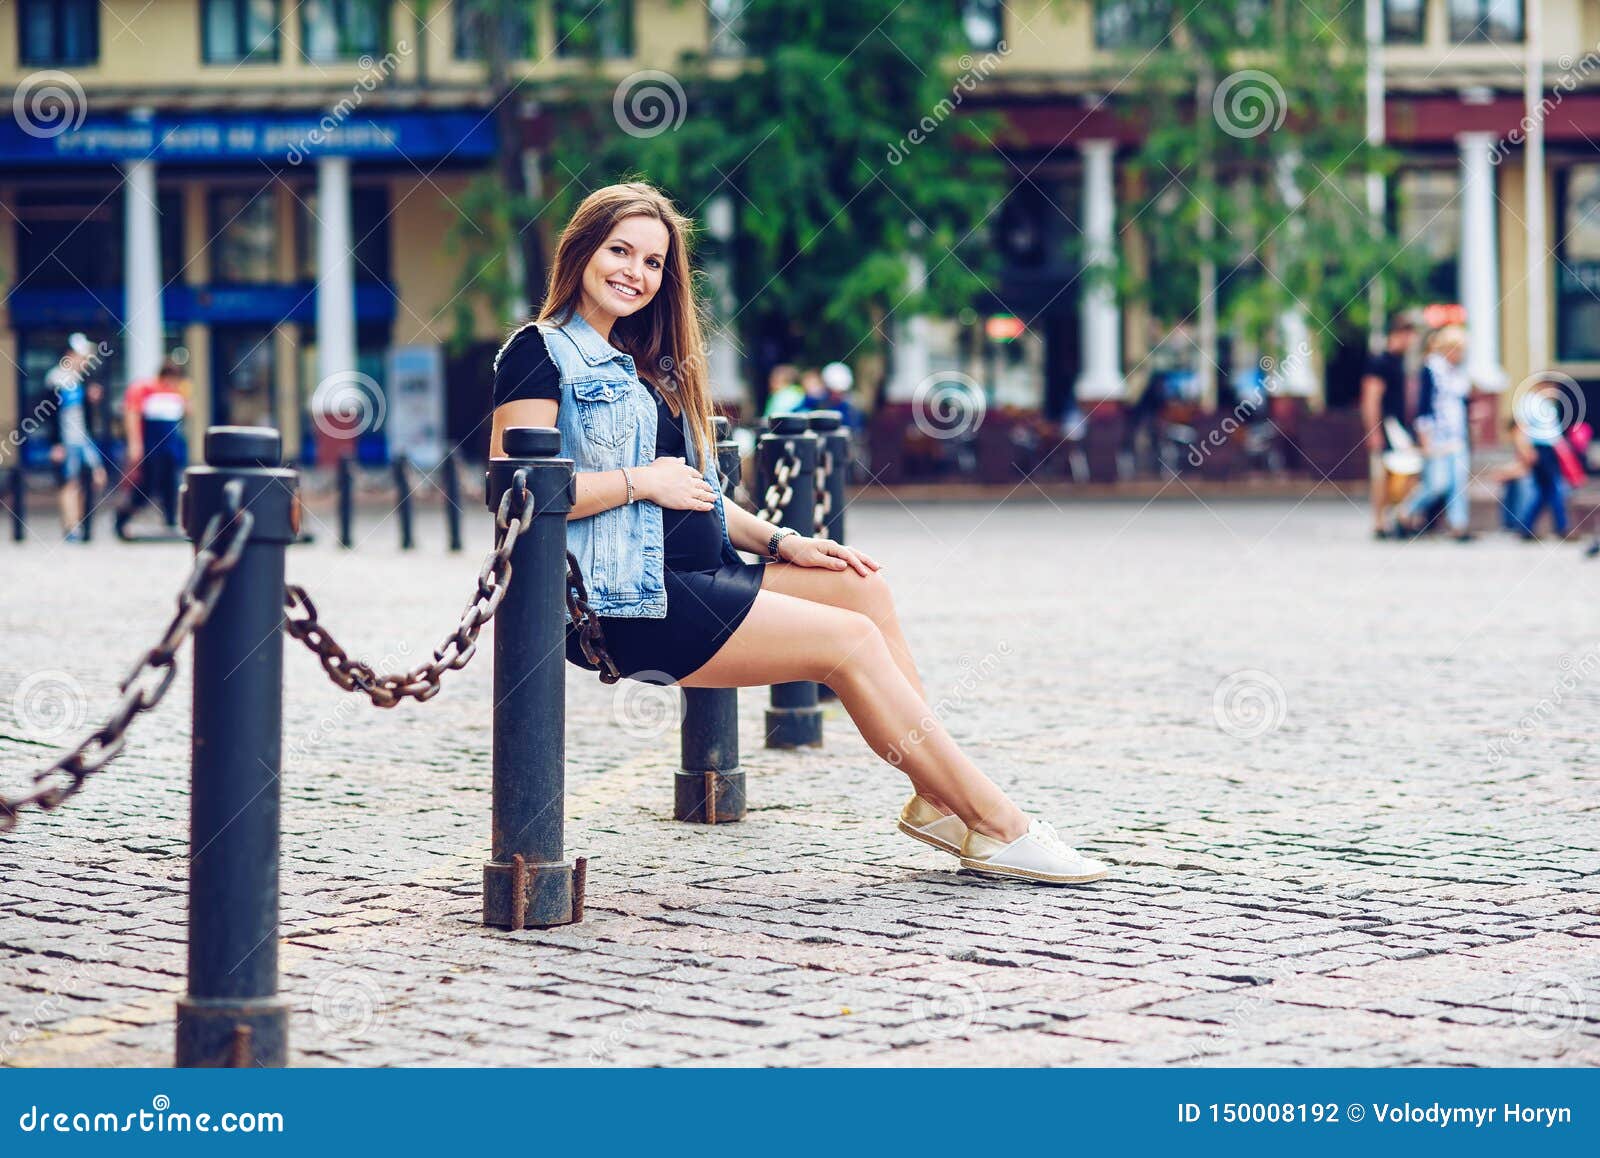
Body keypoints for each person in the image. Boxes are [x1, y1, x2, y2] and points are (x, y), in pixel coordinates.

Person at [489, 181, 1107, 886]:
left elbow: (696, 492)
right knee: (849, 645)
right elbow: (520, 490)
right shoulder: (538, 352)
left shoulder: (636, 362)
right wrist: (640, 482)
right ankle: (998, 824)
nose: (635, 272)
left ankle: (940, 799)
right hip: (627, 605)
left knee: (857, 588)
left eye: (654, 262)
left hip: (693, 573)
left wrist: (781, 541)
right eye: (620, 251)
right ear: (582, 251)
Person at [1393, 325, 1475, 543]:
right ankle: (1405, 511)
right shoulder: (1431, 369)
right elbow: (1424, 407)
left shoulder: (1458, 373)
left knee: (1458, 483)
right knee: (1437, 483)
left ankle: (1459, 525)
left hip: (1458, 436)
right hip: (1437, 436)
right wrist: (1425, 439)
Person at [114, 358, 191, 537]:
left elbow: (187, 412)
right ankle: (123, 517)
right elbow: (132, 415)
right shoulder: (145, 389)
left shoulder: (176, 393)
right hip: (152, 448)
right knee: (146, 487)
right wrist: (135, 444)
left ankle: (171, 522)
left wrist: (185, 393)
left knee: (171, 485)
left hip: (171, 450)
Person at [46, 333, 107, 543]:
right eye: (83, 356)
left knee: (92, 479)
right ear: (71, 355)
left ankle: (81, 523)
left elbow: (87, 417)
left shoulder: (82, 380)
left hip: (84, 440)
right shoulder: (56, 378)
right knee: (69, 483)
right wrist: (55, 444)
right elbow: (49, 416)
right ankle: (71, 527)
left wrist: (92, 401)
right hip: (67, 441)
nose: (86, 361)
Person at [1361, 311, 1417, 539]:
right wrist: (1373, 431)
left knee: (1405, 473)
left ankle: (1400, 517)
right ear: (1400, 334)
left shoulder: (1401, 363)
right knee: (1382, 475)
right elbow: (1370, 399)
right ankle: (1379, 522)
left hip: (1400, 427)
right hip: (1387, 426)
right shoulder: (1380, 362)